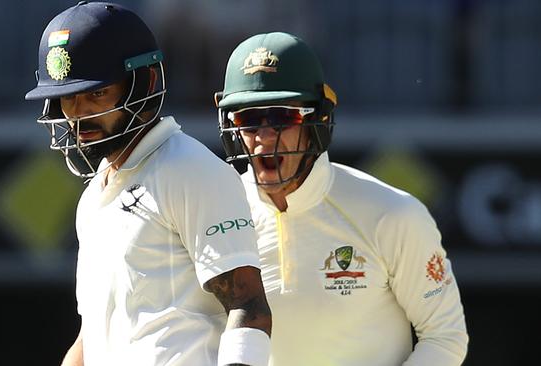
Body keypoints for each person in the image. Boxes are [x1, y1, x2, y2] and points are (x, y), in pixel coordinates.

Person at [25, 2, 271, 365]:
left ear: (146, 82)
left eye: (96, 94)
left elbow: (249, 307)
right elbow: (92, 336)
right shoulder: (93, 198)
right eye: (67, 98)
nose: (78, 113)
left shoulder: (190, 169)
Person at [215, 32, 468, 365]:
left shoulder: (392, 213)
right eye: (247, 119)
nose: (263, 137)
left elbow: (445, 337)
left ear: (318, 119)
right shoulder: (215, 218)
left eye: (282, 118)